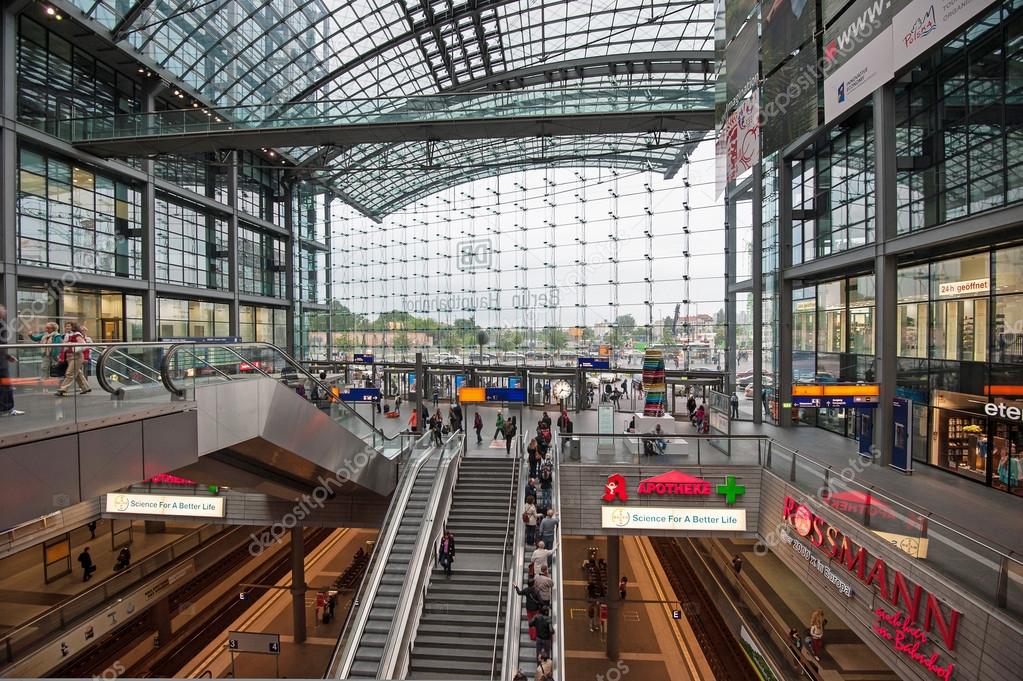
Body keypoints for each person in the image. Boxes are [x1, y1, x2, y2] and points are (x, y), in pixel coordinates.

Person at [56, 322, 91, 396]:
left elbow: (83, 345)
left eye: (69, 326)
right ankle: (85, 387)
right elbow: (64, 347)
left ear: (73, 327)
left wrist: (70, 344)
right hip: (69, 356)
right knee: (78, 373)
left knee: (69, 373)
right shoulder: (67, 335)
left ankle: (63, 389)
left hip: (76, 356)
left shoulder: (77, 334)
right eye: (66, 326)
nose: (67, 328)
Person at [0, 306, 23, 416]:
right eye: (3, 310)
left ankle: (6, 409)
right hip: (1, 362)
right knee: (6, 385)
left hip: (2, 359)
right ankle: (7, 409)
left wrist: (8, 356)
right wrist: (7, 356)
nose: (5, 312)